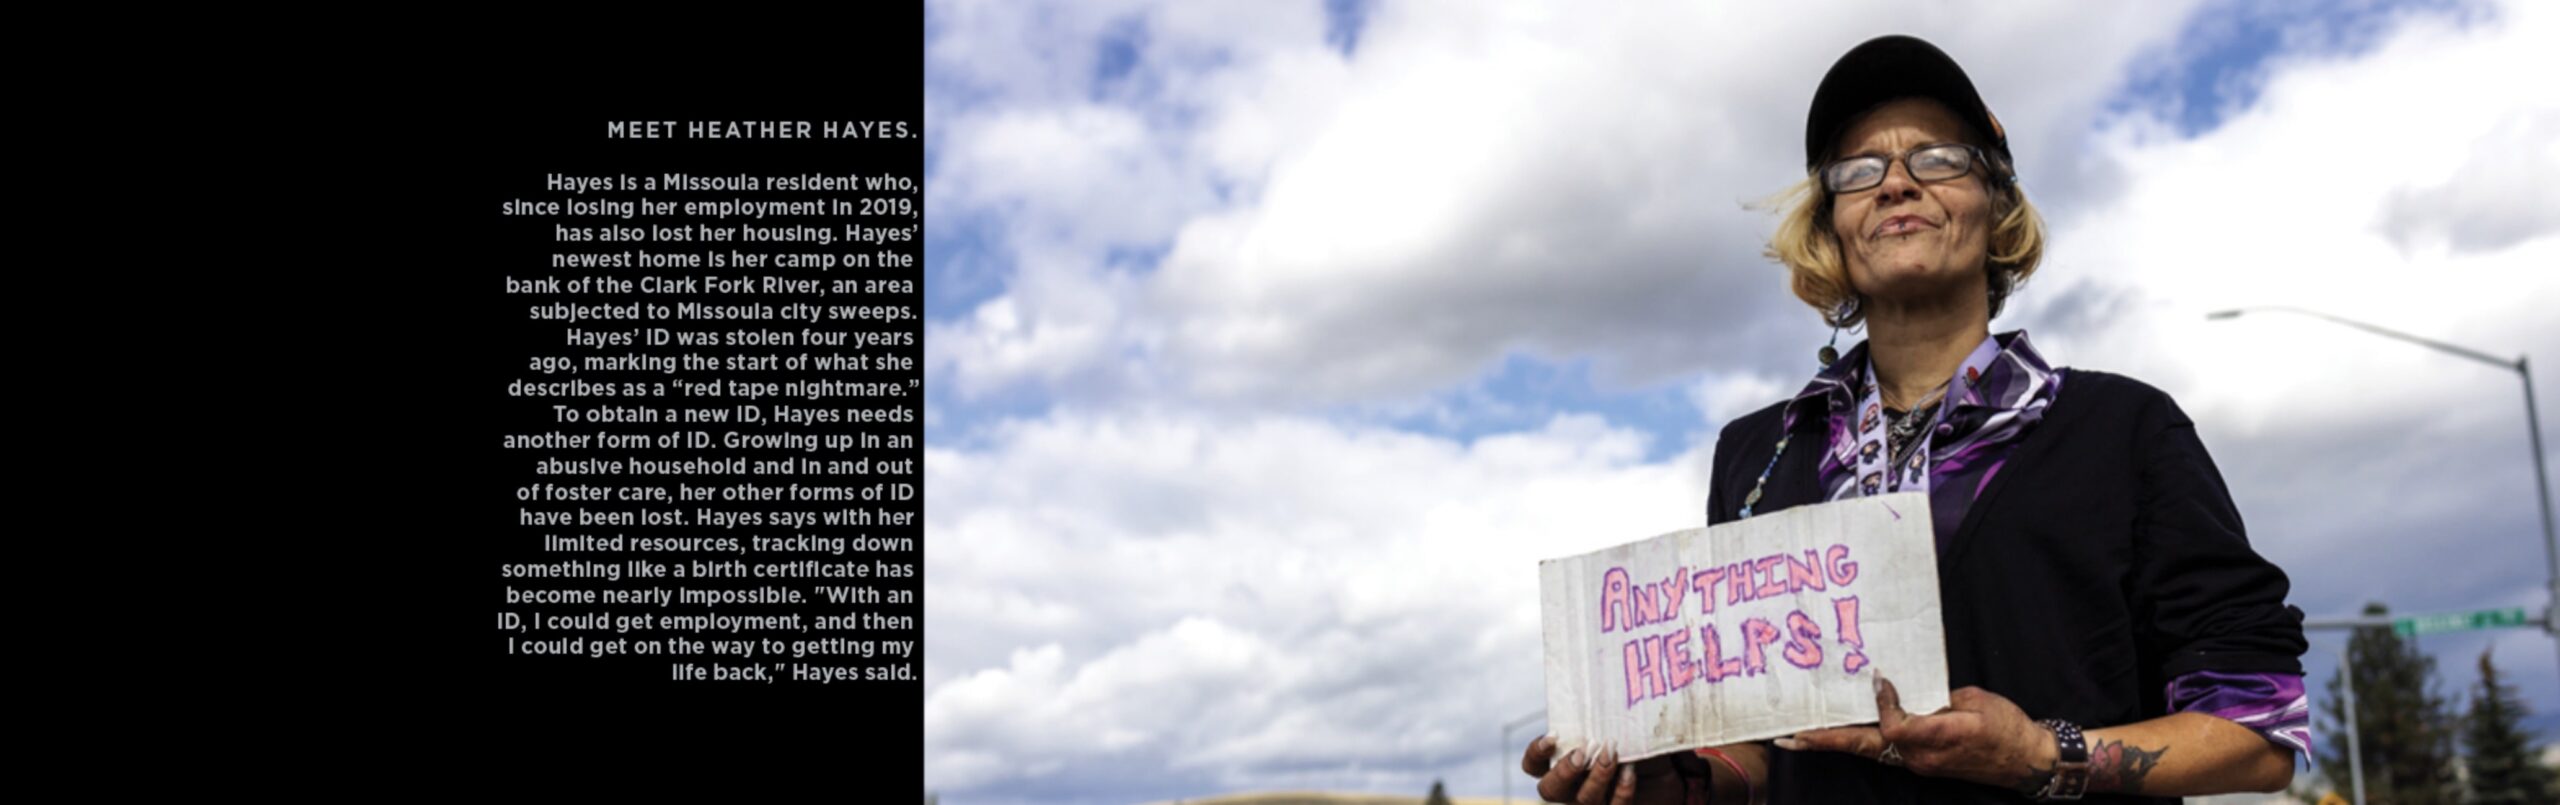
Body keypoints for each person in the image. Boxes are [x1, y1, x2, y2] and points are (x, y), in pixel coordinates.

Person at [1520, 35, 2310, 804]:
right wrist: (1679, 784)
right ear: (1829, 225)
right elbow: (1764, 751)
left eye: (1938, 157)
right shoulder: (1758, 453)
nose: (1897, 183)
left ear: (1995, 201)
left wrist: (2042, 754)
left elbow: (2260, 734)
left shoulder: (2126, 430)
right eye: (1860, 170)